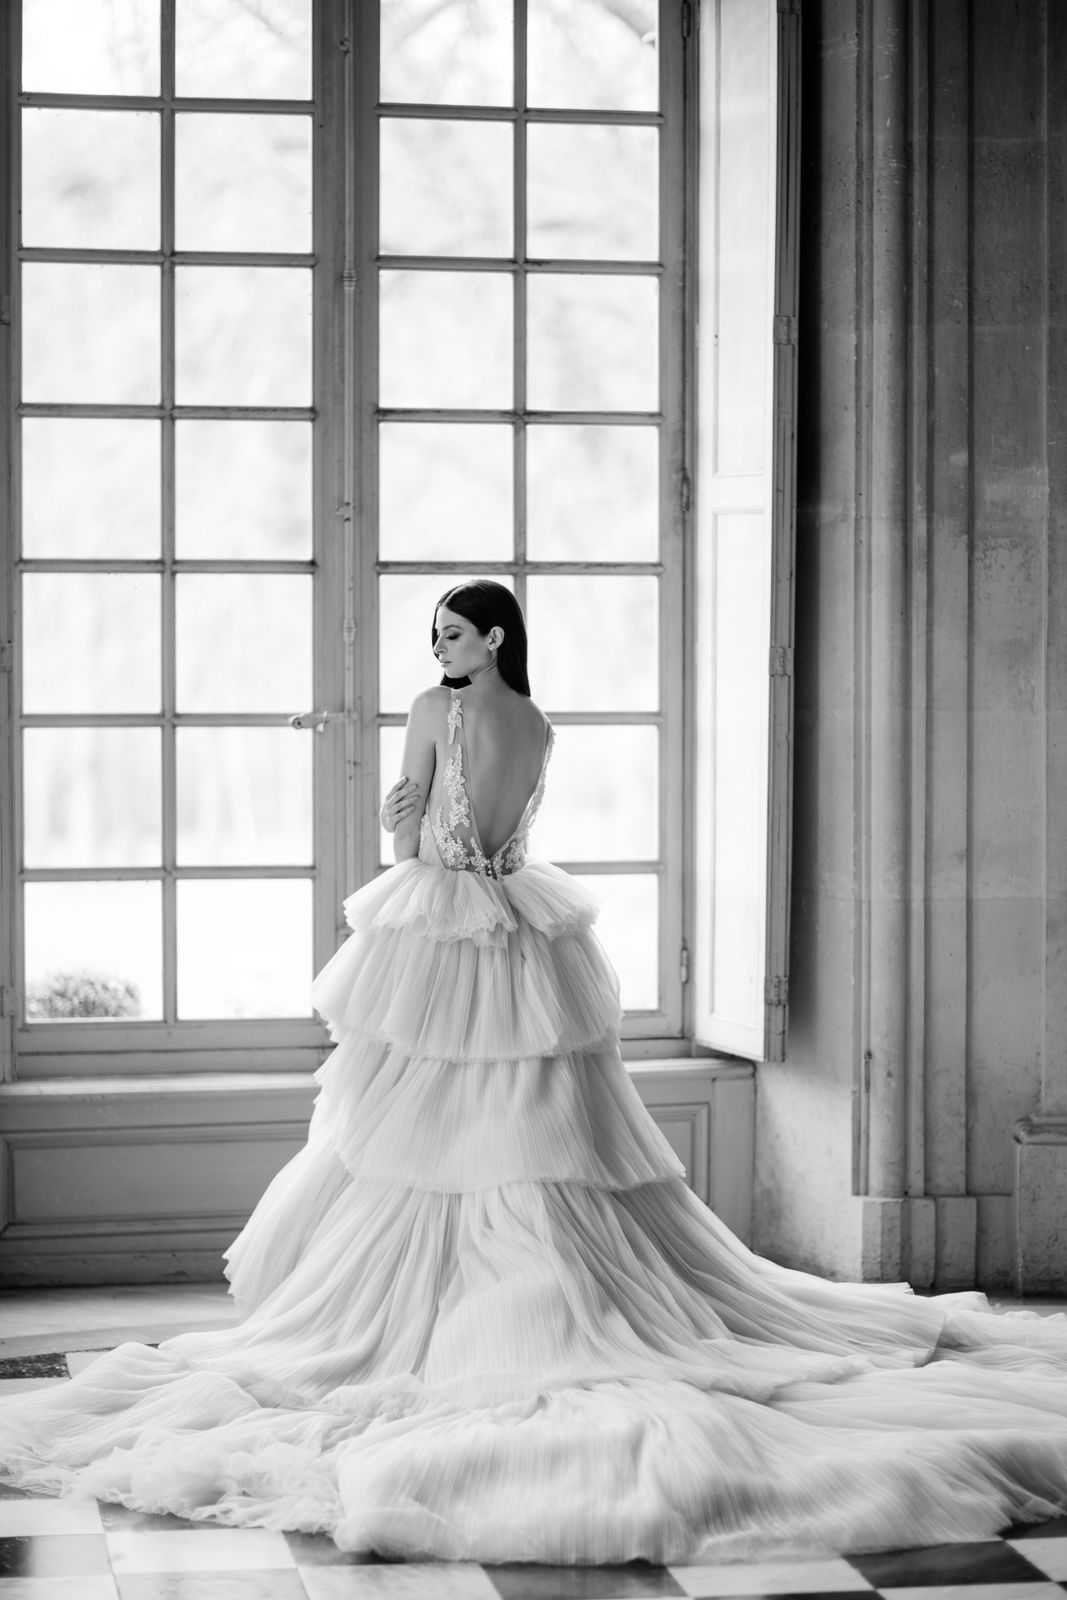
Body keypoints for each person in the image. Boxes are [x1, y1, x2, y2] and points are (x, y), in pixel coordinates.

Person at [3, 577, 1067, 1566]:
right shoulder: (537, 720)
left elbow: (415, 842)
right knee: (539, 1122)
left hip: (443, 928)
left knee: (423, 1130)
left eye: (451, 634)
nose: (437, 649)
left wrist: (397, 819)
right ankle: (552, 1297)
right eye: (435, 637)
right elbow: (501, 831)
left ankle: (464, 1320)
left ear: (492, 637)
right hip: (522, 929)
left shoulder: (438, 709)